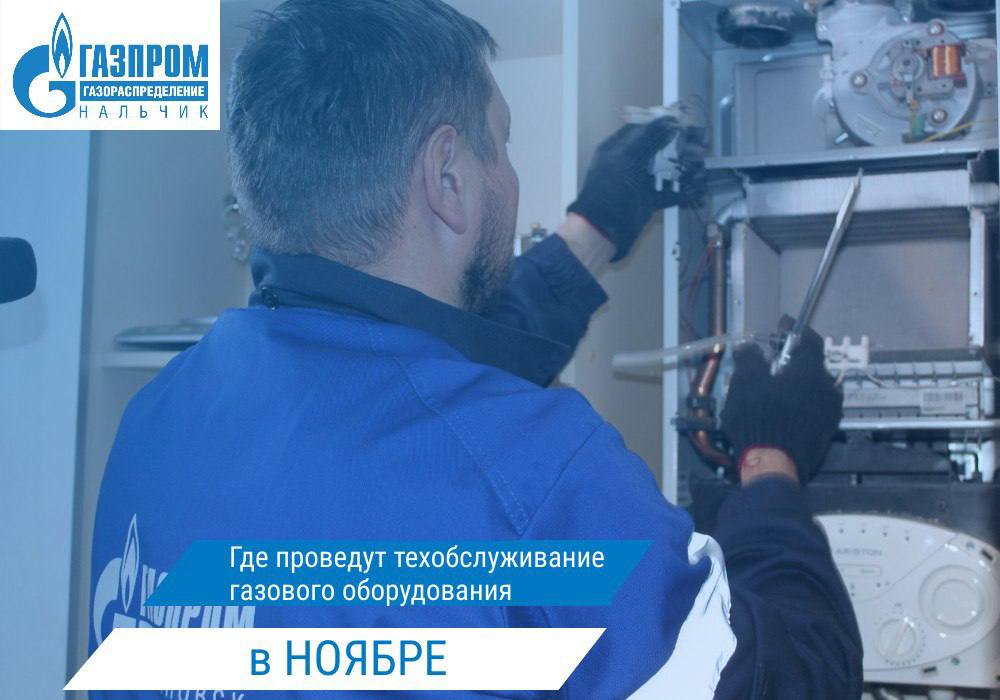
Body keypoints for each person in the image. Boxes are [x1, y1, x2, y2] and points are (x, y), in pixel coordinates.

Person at [89, 0, 862, 697]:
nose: (510, 175)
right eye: (503, 145)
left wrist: (594, 227)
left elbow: (406, 389)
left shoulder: (155, 423)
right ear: (448, 176)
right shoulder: (537, 477)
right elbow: (785, 682)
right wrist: (770, 465)